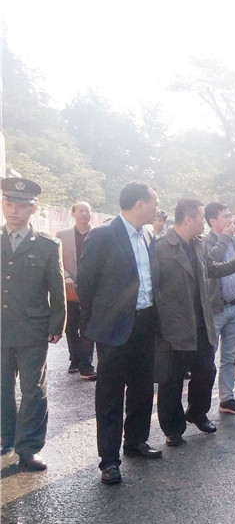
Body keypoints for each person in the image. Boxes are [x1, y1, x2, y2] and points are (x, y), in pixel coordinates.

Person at [77, 181, 163, 484]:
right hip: (114, 328)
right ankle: (109, 460)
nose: (157, 209)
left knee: (142, 387)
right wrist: (94, 322)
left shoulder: (148, 235)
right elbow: (85, 283)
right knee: (110, 394)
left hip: (145, 322)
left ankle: (136, 441)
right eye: (154, 203)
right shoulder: (103, 235)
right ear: (140, 204)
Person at [154, 199, 235, 446]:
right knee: (173, 379)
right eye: (201, 217)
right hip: (174, 326)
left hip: (201, 321)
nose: (204, 222)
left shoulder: (198, 245)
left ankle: (197, 413)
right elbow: (153, 288)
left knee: (206, 371)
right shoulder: (161, 247)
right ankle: (173, 429)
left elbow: (213, 269)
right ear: (188, 218)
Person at [1, 178, 65, 471]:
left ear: (32, 209)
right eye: (8, 204)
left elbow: (57, 288)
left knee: (33, 389)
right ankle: (5, 437)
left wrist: (57, 323)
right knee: (2, 387)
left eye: (19, 206)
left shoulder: (47, 246)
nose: (12, 211)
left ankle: (29, 447)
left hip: (32, 328)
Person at [202, 202, 235, 416]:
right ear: (212, 220)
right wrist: (223, 238)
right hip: (214, 310)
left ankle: (227, 398)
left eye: (230, 215)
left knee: (230, 358)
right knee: (207, 358)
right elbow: (210, 264)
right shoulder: (204, 242)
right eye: (225, 216)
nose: (230, 220)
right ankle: (201, 404)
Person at [56, 201, 97, 380]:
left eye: (87, 211)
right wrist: (66, 276)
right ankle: (75, 359)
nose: (84, 214)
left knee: (88, 327)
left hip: (92, 288)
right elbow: (57, 260)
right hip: (70, 286)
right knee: (71, 327)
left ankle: (86, 365)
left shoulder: (98, 235)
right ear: (73, 213)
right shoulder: (62, 235)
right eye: (81, 211)